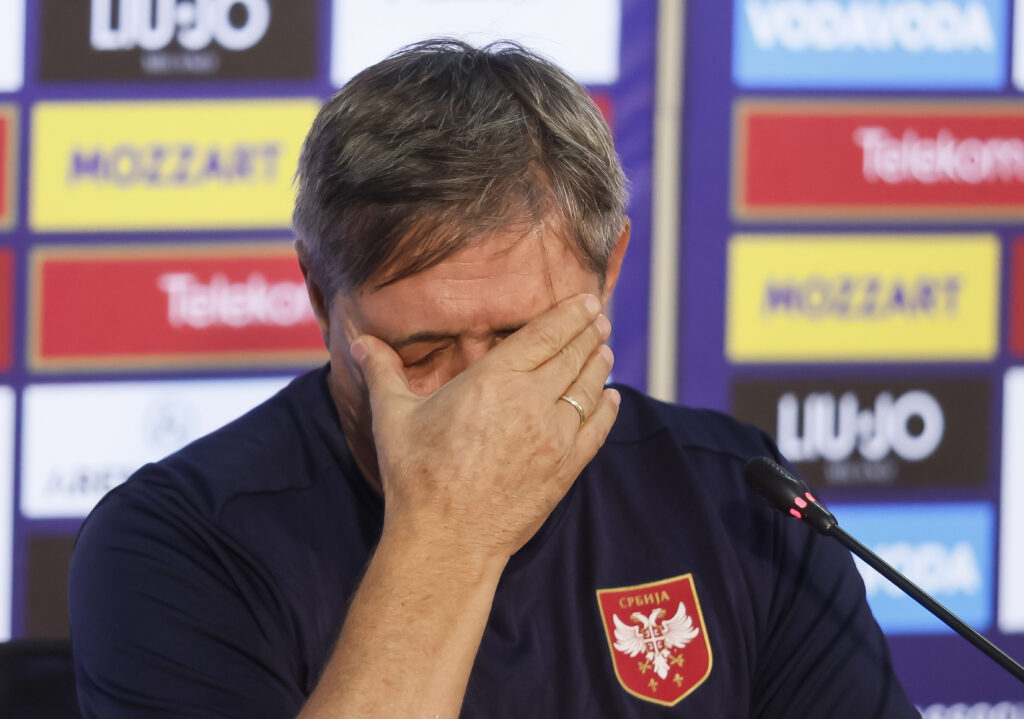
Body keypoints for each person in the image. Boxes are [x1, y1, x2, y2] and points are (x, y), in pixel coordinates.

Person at [69, 39, 918, 718]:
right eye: (422, 349)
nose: (483, 398)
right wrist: (452, 530)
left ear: (610, 272)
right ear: (321, 296)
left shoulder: (741, 501)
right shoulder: (174, 545)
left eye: (522, 337)